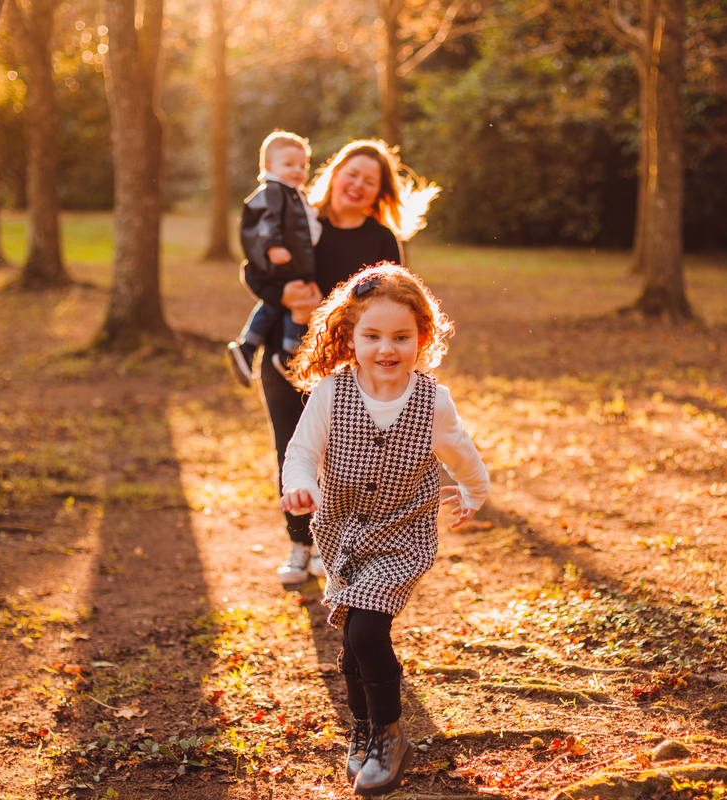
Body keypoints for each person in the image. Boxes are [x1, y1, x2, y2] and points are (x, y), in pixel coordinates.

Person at [280, 264, 489, 796]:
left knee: (368, 632)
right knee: (351, 642)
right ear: (349, 337)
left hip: (403, 539)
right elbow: (301, 452)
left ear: (423, 336)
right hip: (342, 539)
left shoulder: (432, 401)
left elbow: (463, 455)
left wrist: (472, 494)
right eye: (372, 336)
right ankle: (363, 729)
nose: (386, 349)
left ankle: (390, 735)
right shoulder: (331, 392)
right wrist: (301, 485)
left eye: (401, 336)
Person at [243, 140, 439, 586]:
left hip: (346, 365)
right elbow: (255, 268)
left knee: (337, 457)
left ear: (378, 193)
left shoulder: (379, 239)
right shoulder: (298, 217)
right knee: (290, 446)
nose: (358, 185)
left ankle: (329, 546)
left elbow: (391, 303)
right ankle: (298, 545)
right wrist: (282, 296)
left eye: (370, 182)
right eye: (353, 173)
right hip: (283, 353)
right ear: (334, 173)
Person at [227, 131, 322, 386]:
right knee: (279, 305)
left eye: (302, 166)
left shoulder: (294, 194)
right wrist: (272, 246)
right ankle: (275, 352)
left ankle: (261, 350)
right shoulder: (273, 191)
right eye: (289, 165)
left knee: (289, 305)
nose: (297, 170)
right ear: (268, 167)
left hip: (297, 265)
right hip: (284, 264)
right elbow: (266, 219)